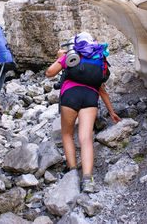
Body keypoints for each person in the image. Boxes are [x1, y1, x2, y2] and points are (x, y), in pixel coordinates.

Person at [46, 32, 122, 193]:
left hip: (70, 95)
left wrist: (60, 57)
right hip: (90, 97)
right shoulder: (97, 59)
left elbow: (50, 72)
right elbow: (102, 89)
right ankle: (88, 180)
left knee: (67, 134)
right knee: (86, 138)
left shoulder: (74, 53)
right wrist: (111, 112)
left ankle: (73, 172)